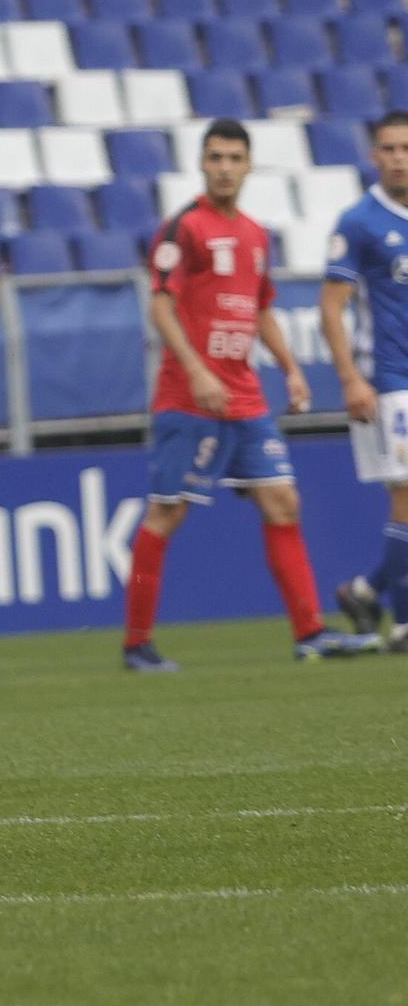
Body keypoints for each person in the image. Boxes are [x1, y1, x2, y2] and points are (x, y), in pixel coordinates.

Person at [120, 120, 380, 672]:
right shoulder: (182, 228)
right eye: (215, 157)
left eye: (234, 157)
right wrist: (197, 371)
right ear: (201, 163)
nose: (224, 167)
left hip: (245, 395)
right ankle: (137, 644)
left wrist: (290, 370)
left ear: (248, 164)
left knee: (283, 501)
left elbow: (259, 309)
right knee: (166, 514)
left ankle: (310, 633)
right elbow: (160, 307)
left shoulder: (257, 235)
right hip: (189, 397)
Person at [322, 111, 408, 647]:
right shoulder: (358, 222)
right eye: (389, 149)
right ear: (373, 156)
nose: (398, 157)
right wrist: (351, 378)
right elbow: (332, 308)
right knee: (406, 498)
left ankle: (368, 593)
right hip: (390, 379)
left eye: (406, 147)